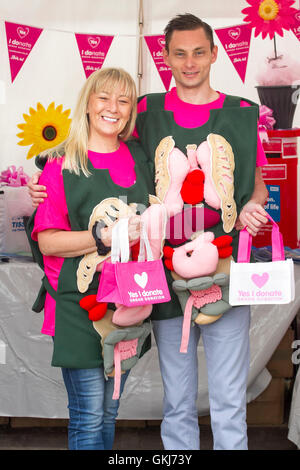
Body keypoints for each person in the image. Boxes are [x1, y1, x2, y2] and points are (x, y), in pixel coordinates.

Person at [28, 14, 269, 451]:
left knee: (229, 399)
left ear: (215, 54)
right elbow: (97, 143)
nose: (190, 62)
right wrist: (45, 175)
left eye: (199, 52)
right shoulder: (143, 113)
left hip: (225, 266)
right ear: (166, 58)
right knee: (176, 399)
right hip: (157, 274)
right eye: (180, 53)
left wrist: (255, 204)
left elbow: (255, 181)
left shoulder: (241, 113)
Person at [28, 67, 154, 450]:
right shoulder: (62, 163)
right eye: (104, 97)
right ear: (88, 103)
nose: (112, 108)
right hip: (77, 304)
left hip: (128, 302)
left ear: (132, 110)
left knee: (110, 413)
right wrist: (104, 237)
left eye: (123, 100)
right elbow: (49, 242)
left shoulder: (138, 155)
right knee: (88, 415)